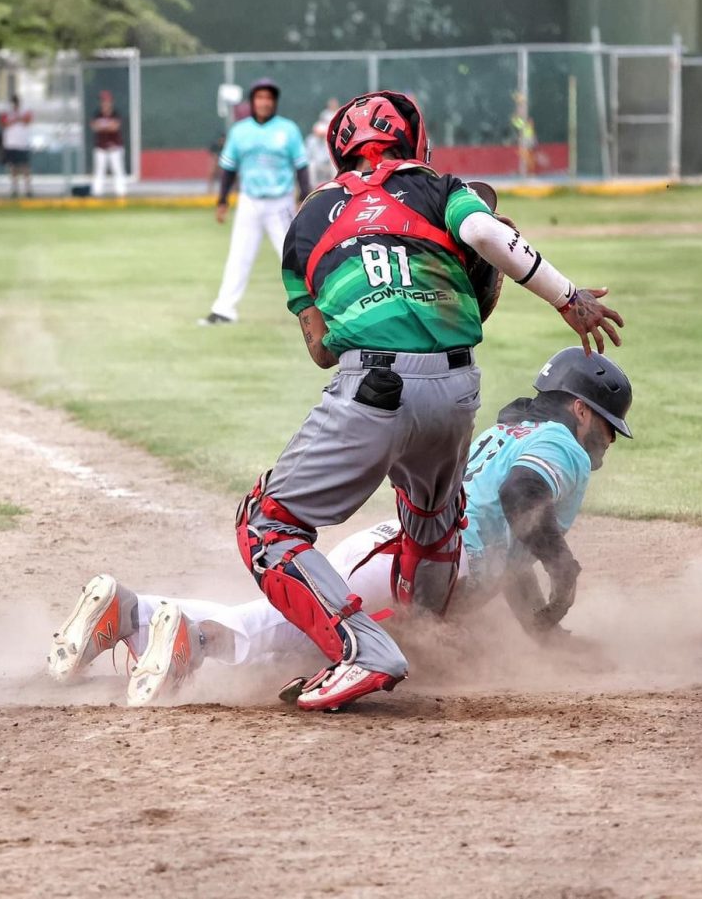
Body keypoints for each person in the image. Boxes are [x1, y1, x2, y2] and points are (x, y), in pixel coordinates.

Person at [230, 89, 624, 712]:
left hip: (373, 385)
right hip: (458, 389)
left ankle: (364, 648)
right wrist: (567, 298)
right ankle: (431, 642)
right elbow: (485, 235)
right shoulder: (441, 188)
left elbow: (321, 349)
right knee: (434, 521)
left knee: (267, 524)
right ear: (414, 142)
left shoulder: (308, 219)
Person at [47, 348, 633, 708]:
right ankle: (188, 639)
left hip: (397, 548)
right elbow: (520, 499)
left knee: (285, 627)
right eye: (607, 426)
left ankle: (131, 614)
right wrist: (565, 567)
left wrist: (547, 635)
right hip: (421, 565)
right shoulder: (563, 444)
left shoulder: (513, 434)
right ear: (580, 409)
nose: (606, 442)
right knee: (293, 641)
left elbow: (508, 544)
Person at [198, 78, 311, 326]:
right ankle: (224, 309)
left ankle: (316, 308)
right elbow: (228, 168)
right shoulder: (240, 131)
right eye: (259, 97)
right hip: (249, 201)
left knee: (294, 257)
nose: (264, 102)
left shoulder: (288, 129)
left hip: (280, 203)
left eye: (269, 98)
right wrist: (222, 201)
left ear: (274, 102)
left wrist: (305, 196)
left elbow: (301, 166)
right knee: (239, 255)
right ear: (252, 101)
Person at [90, 90, 126, 198]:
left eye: (107, 101)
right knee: (99, 171)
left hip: (114, 147)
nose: (105, 103)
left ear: (111, 102)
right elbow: (94, 127)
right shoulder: (97, 114)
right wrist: (106, 125)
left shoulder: (115, 113)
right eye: (103, 101)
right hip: (100, 147)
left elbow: (115, 127)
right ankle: (97, 194)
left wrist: (103, 126)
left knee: (118, 170)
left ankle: (121, 194)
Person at [0, 95, 33, 198]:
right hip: (11, 143)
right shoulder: (7, 112)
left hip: (22, 143)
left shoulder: (25, 110)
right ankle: (14, 189)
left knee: (25, 166)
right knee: (13, 167)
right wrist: (16, 119)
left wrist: (17, 118)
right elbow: (4, 123)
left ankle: (28, 189)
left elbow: (27, 120)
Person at [305, 96, 340, 186]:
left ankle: (336, 183)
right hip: (317, 163)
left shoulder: (340, 113)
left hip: (329, 162)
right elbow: (308, 156)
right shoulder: (311, 140)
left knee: (334, 165)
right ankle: (312, 188)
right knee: (311, 166)